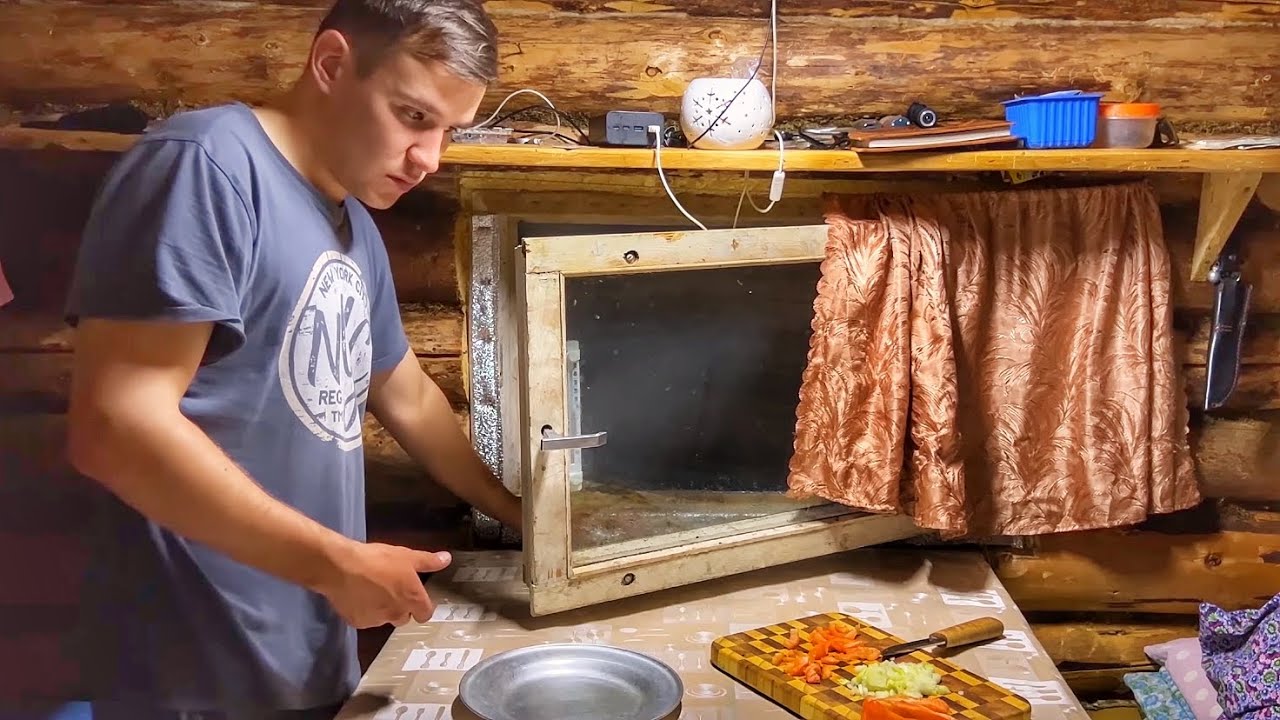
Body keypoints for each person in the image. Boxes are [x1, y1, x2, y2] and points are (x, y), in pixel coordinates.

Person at [61, 1, 521, 718]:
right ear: (332, 65)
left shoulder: (353, 223)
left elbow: (408, 396)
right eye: (414, 117)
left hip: (305, 656)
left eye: (448, 134)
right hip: (194, 670)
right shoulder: (205, 165)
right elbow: (114, 426)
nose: (429, 160)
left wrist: (516, 514)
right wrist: (336, 563)